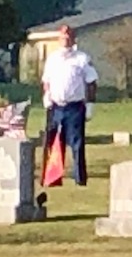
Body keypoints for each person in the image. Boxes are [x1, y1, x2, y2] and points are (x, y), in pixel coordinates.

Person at [40, 25, 98, 186]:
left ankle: (80, 178)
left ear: (73, 39)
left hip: (75, 107)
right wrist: (47, 95)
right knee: (55, 143)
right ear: (59, 39)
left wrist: (90, 105)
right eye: (62, 37)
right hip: (56, 106)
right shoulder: (52, 58)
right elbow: (46, 81)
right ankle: (54, 177)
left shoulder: (82, 58)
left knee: (77, 144)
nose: (65, 39)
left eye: (68, 37)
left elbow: (91, 82)